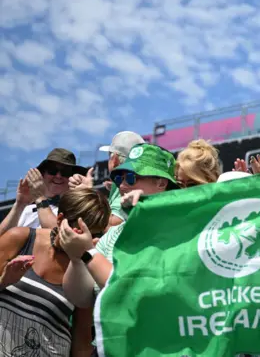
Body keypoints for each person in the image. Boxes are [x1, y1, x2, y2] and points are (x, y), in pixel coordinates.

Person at [61, 143, 178, 308]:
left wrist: (89, 253)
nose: (122, 186)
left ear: (161, 183)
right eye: (119, 178)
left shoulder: (180, 229)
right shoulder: (112, 235)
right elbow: (82, 300)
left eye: (131, 177)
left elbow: (134, 295)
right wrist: (76, 259)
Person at [0, 188, 110, 356]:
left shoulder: (87, 271)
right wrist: (4, 282)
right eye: (81, 230)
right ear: (60, 219)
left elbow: (81, 343)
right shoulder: (20, 238)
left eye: (95, 234)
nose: (87, 239)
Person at [0, 148, 87, 235]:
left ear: (72, 177)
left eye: (65, 172)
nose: (58, 176)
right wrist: (20, 204)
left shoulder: (77, 210)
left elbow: (59, 236)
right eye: (52, 170)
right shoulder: (27, 210)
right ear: (43, 174)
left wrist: (39, 197)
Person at [70, 131, 145, 226]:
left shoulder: (124, 185)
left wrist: (87, 193)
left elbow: (111, 225)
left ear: (115, 160)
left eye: (109, 155)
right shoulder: (133, 181)